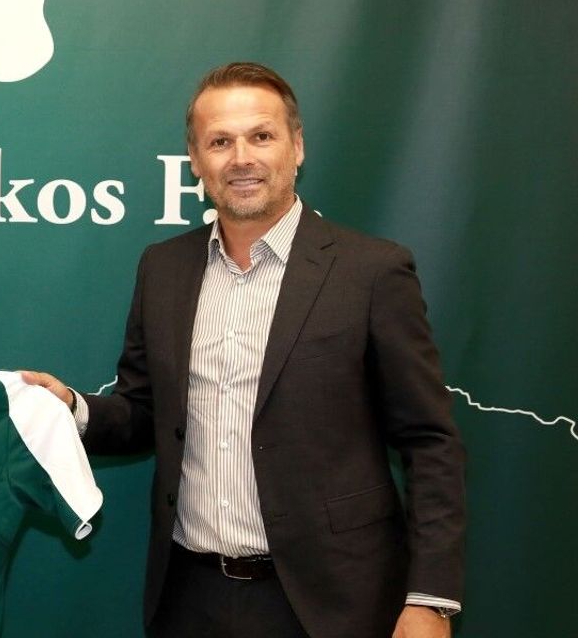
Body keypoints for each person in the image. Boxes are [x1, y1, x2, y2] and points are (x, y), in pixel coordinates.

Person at [24, 62, 465, 638]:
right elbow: (144, 413)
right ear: (194, 159)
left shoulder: (372, 272)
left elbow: (429, 441)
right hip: (190, 598)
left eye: (261, 136)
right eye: (220, 142)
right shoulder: (163, 268)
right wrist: (73, 409)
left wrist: (429, 599)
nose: (241, 158)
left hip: (333, 603)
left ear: (296, 146)